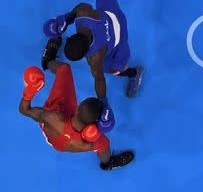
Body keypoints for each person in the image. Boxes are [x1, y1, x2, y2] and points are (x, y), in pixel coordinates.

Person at [42, 0, 152, 98]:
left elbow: (99, 81)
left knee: (114, 69)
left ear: (85, 54)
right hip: (113, 15)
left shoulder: (96, 59)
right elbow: (80, 7)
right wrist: (65, 19)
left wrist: (104, 102)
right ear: (71, 37)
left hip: (120, 43)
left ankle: (134, 73)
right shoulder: (83, 15)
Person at [19, 40, 134, 170]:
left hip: (55, 122)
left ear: (78, 106)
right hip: (61, 140)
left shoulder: (52, 117)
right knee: (104, 146)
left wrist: (29, 90)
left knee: (64, 69)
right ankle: (107, 164)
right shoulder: (89, 143)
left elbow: (24, 110)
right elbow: (96, 142)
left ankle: (48, 60)